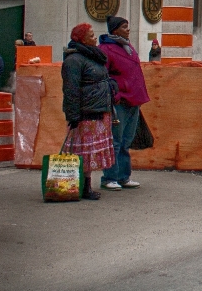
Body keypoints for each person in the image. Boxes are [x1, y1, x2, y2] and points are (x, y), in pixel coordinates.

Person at [61, 23, 116, 200]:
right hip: (86, 113)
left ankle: (86, 185)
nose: (95, 38)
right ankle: (82, 186)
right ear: (82, 39)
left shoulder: (92, 56)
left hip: (99, 110)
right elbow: (71, 90)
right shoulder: (74, 60)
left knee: (90, 152)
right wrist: (73, 115)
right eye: (91, 35)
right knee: (84, 153)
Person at [99, 16, 151, 191]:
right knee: (115, 140)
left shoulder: (128, 47)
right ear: (114, 30)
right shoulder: (106, 49)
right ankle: (109, 177)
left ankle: (123, 176)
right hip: (120, 100)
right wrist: (115, 95)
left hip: (134, 99)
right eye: (124, 27)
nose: (128, 29)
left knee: (126, 140)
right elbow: (103, 76)